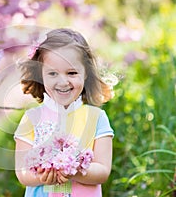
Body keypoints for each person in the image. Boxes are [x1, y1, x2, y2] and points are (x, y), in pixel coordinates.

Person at [14, 28, 114, 197]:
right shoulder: (31, 119)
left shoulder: (97, 118)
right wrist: (44, 174)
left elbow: (103, 170)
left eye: (72, 73)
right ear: (41, 75)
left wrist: (75, 170)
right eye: (52, 73)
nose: (63, 81)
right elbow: (22, 172)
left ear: (86, 74)